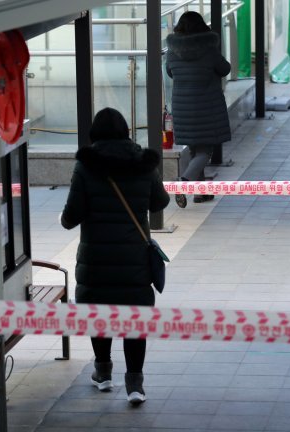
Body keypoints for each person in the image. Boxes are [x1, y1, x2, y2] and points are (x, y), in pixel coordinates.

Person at [60, 107, 170, 405]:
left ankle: (103, 373)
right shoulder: (143, 163)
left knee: (99, 314)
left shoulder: (86, 167)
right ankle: (135, 384)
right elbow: (160, 201)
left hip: (96, 261)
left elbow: (71, 217)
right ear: (125, 132)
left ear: (94, 134)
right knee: (134, 319)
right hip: (134, 261)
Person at [166, 11, 231, 208]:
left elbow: (170, 72)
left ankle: (201, 193)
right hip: (205, 106)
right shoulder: (209, 49)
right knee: (205, 152)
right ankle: (183, 182)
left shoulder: (172, 50)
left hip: (183, 106)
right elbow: (225, 69)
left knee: (195, 149)